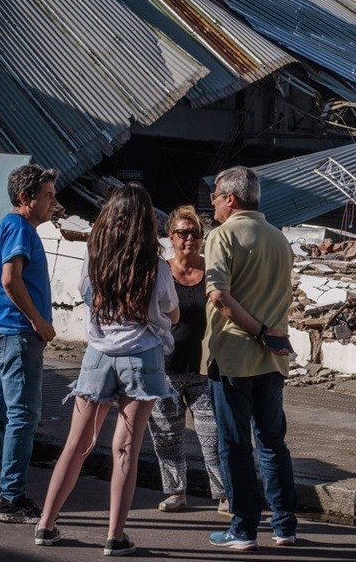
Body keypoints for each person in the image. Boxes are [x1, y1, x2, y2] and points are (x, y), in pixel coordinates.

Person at [33, 183, 178, 556]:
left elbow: (84, 294)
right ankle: (115, 536)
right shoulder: (156, 267)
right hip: (142, 358)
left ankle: (46, 524)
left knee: (77, 443)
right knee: (126, 447)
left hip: (97, 356)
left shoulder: (92, 257)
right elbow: (171, 312)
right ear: (146, 222)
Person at [203, 166, 297, 551]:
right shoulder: (279, 239)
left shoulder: (222, 236)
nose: (211, 203)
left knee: (236, 444)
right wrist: (268, 334)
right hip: (273, 358)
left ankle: (242, 528)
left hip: (233, 356)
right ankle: (284, 526)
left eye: (214, 196)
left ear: (230, 198)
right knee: (273, 442)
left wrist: (255, 331)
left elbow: (218, 296)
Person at [0, 164, 59, 524]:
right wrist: (39, 321)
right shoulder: (19, 227)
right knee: (22, 415)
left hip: (4, 333)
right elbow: (11, 279)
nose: (55, 202)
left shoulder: (8, 226)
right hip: (17, 334)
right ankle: (12, 498)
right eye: (48, 196)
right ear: (26, 199)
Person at [147, 205, 228, 516]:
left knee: (213, 437)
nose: (189, 238)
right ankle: (176, 492)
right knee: (167, 436)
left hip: (204, 369)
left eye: (195, 233)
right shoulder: (161, 271)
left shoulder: (212, 272)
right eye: (183, 233)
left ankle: (223, 494)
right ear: (171, 236)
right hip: (165, 369)